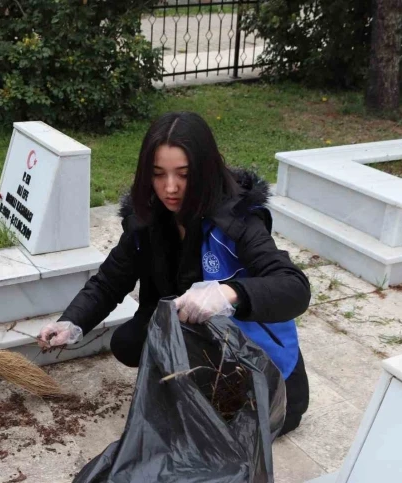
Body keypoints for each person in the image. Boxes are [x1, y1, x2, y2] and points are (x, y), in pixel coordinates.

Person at [38, 111, 311, 436]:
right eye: (158, 174)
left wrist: (229, 293)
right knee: (128, 342)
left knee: (231, 434)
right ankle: (191, 385)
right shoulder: (148, 220)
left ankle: (208, 390)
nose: (170, 188)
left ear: (205, 170)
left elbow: (294, 287)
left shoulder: (238, 222)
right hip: (201, 336)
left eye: (184, 174)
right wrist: (73, 321)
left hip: (261, 364)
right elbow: (110, 280)